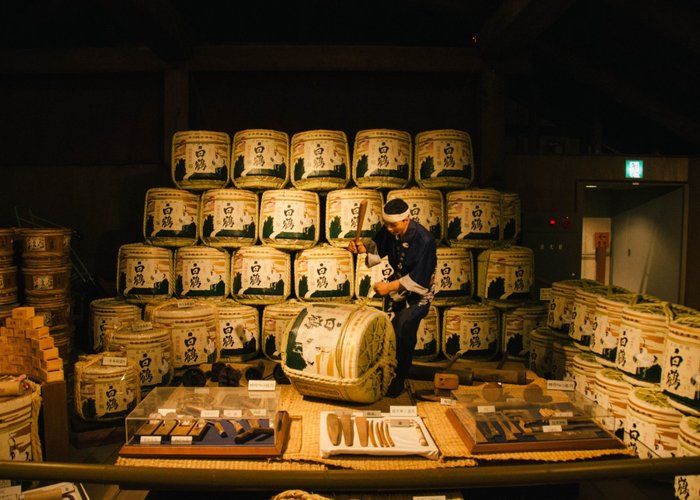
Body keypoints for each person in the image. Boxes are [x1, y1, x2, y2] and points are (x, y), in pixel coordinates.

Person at [348, 198, 437, 397]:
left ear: (407, 219)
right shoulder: (392, 231)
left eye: (393, 225)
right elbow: (377, 247)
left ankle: (399, 377)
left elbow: (420, 278)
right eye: (386, 224)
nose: (388, 229)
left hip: (419, 293)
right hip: (397, 289)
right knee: (390, 330)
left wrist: (388, 287)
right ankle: (386, 370)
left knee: (405, 328)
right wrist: (358, 248)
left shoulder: (425, 240)